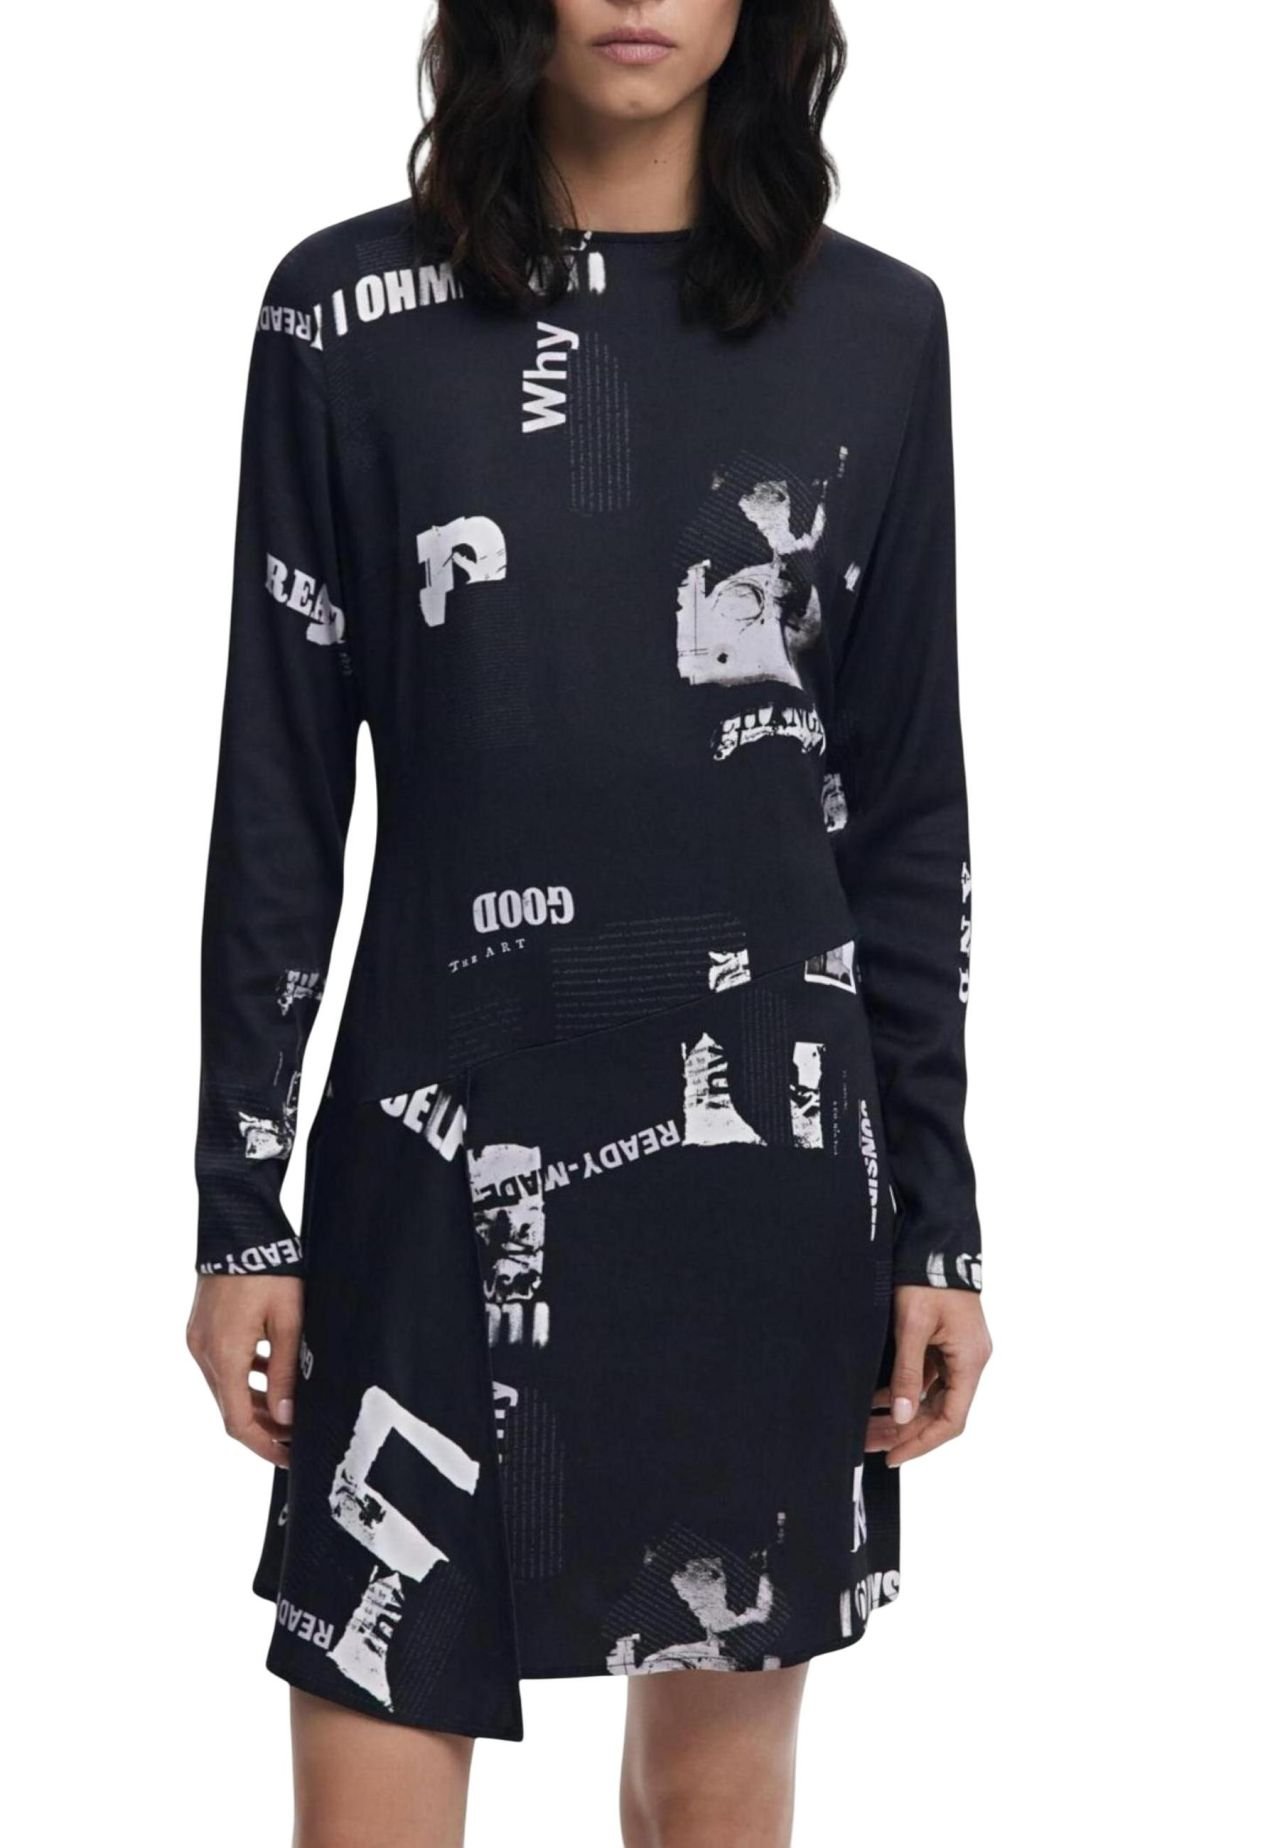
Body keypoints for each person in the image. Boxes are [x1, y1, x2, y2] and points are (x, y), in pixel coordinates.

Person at [185, 3, 994, 1843]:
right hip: (433, 1140)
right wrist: (242, 1206)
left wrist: (939, 1227)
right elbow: (278, 796)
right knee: (370, 1740)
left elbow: (902, 808)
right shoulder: (344, 317)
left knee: (717, 1793)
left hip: (762, 1155)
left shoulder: (877, 328)